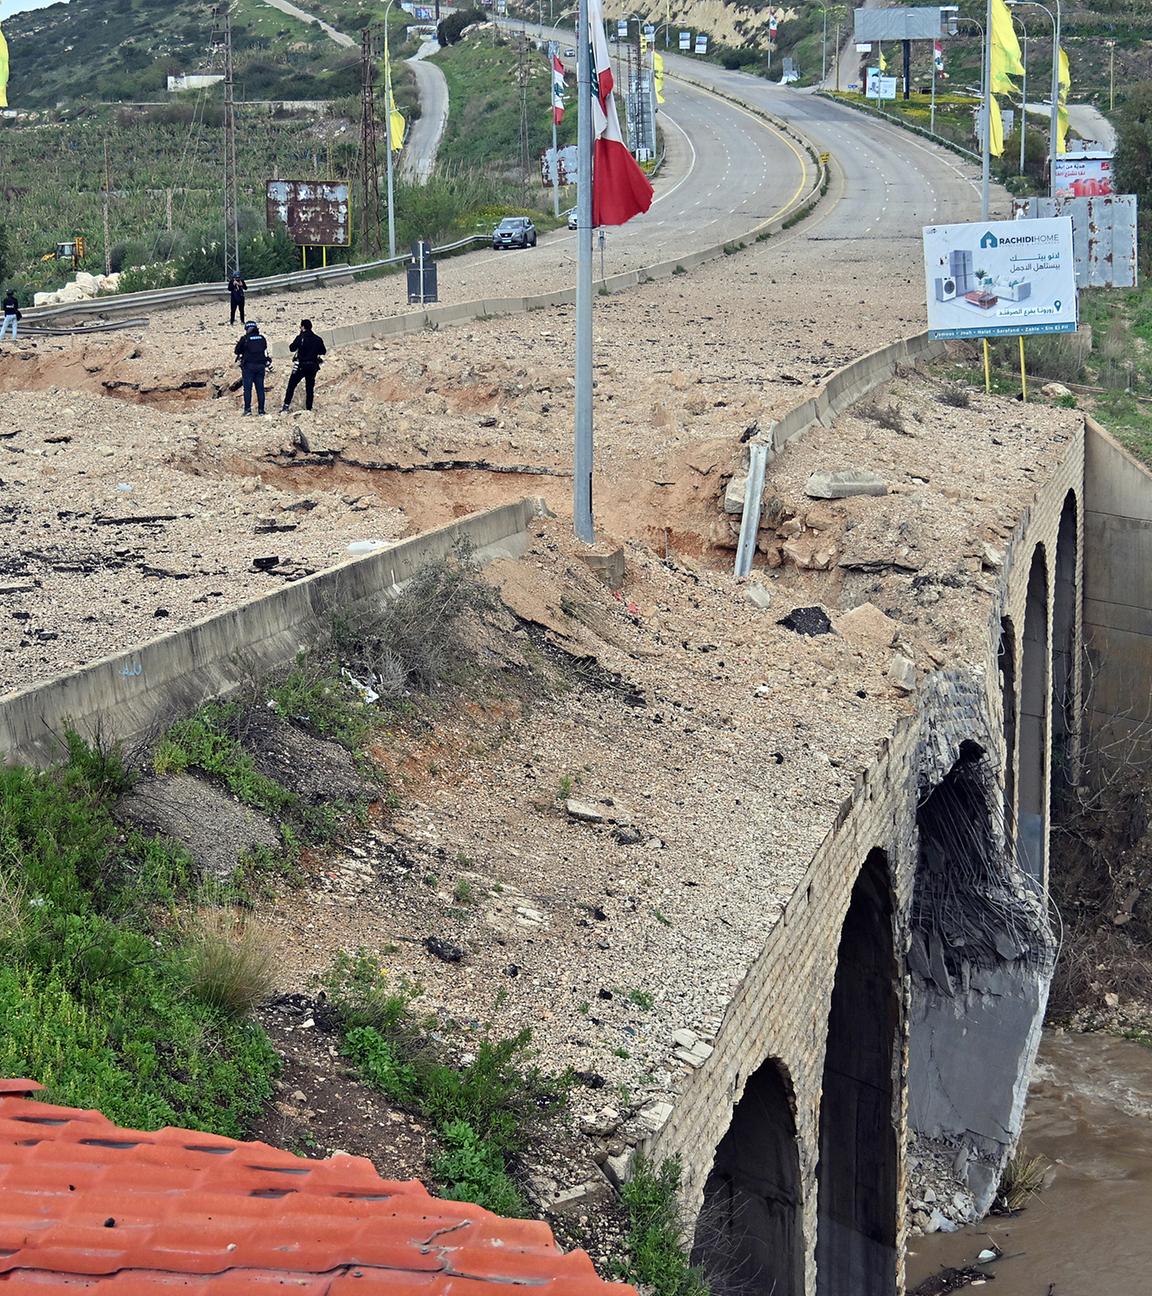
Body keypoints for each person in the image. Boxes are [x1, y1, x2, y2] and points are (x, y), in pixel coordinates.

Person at [281, 319, 327, 413]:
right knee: (309, 388)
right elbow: (323, 351)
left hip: (301, 366)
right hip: (313, 366)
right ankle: (308, 408)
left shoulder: (300, 338)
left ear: (302, 327)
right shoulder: (317, 339)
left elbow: (291, 348)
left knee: (291, 385)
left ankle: (286, 406)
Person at [234, 321, 271, 415]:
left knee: (247, 389)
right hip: (260, 366)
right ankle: (261, 411)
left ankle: (247, 410)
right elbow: (265, 351)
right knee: (260, 389)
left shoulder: (245, 338)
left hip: (248, 367)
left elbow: (237, 351)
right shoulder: (262, 338)